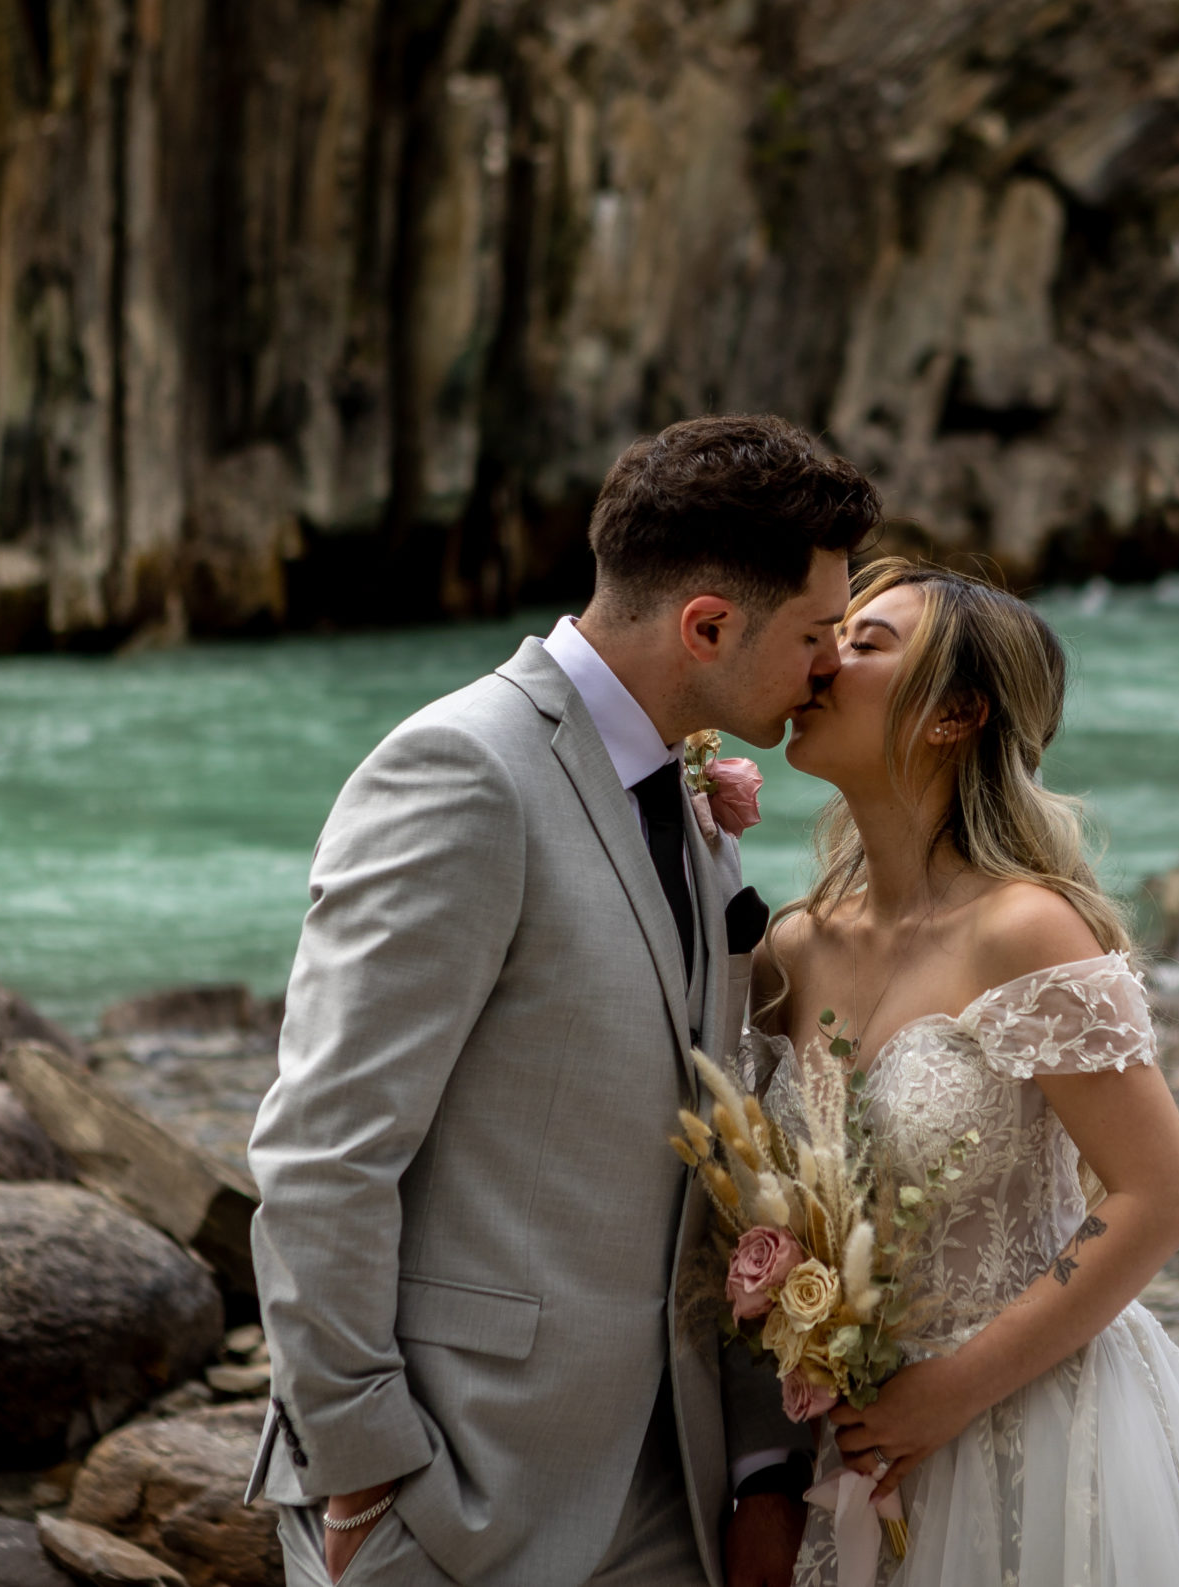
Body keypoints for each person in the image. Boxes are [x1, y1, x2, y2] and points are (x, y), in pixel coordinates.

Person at [245, 415, 882, 1587]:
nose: (828, 664)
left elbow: (727, 1166)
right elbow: (322, 1148)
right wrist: (365, 1470)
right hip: (456, 1491)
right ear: (706, 625)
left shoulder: (683, 788)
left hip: (661, 1486)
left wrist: (756, 1467)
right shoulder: (461, 772)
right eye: (813, 631)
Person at [750, 558, 1179, 1586]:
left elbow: (1160, 1195)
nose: (821, 662)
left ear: (955, 714)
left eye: (866, 644)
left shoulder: (1026, 927)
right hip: (846, 1437)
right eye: (829, 635)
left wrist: (950, 1393)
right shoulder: (791, 947)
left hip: (1029, 1422)